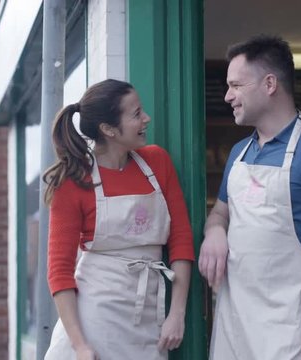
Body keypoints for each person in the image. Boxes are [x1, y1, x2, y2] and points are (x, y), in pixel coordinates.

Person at [199, 35, 301, 360]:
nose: (227, 96)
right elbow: (220, 213)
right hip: (234, 326)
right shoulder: (239, 153)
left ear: (270, 83)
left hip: (292, 329)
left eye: (236, 85)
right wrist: (214, 231)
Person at [43, 79, 195, 360]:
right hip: (93, 320)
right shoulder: (74, 182)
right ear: (109, 129)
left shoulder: (157, 162)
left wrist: (177, 313)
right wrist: (80, 346)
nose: (146, 118)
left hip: (149, 315)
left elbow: (181, 240)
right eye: (136, 114)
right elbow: (59, 272)